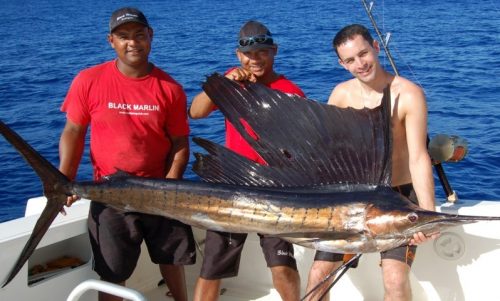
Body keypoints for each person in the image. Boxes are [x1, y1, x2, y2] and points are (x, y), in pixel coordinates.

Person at [58, 7, 195, 301]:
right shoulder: (88, 80)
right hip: (111, 193)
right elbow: (73, 132)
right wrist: (65, 179)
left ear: (151, 36)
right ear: (111, 41)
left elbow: (180, 143)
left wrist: (171, 185)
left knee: (172, 260)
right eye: (124, 37)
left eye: (139, 35)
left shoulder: (170, 88)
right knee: (113, 272)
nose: (132, 43)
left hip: (160, 190)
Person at [305, 24, 439, 301]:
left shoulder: (409, 93)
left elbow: (418, 157)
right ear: (341, 64)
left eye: (363, 54)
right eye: (350, 60)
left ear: (376, 48)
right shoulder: (340, 95)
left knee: (394, 279)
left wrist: (428, 212)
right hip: (353, 198)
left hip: (399, 197)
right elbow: (330, 155)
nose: (360, 64)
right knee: (318, 273)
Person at [189, 20, 303, 301]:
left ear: (274, 51)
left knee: (283, 269)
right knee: (212, 268)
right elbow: (196, 112)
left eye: (263, 52)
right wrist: (222, 84)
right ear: (238, 56)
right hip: (233, 187)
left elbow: (302, 146)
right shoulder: (230, 84)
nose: (256, 59)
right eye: (249, 55)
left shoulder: (291, 91)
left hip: (276, 190)